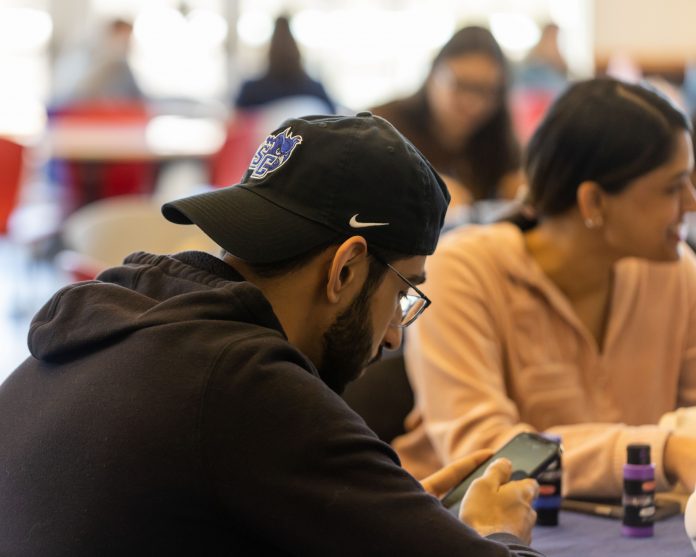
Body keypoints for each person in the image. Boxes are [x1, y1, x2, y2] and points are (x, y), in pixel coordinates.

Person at [0, 113, 542, 556]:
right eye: (403, 293)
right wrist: (495, 533)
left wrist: (380, 519)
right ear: (345, 270)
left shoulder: (105, 330)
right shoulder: (249, 384)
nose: (396, 336)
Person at [394, 77, 696, 498]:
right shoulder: (461, 271)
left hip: (628, 525)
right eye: (672, 187)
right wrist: (660, 452)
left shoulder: (675, 269)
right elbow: (487, 453)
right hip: (468, 529)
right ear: (593, 202)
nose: (691, 202)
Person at [371, 25, 522, 224]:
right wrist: (425, 187)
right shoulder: (383, 124)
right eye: (461, 85)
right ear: (433, 74)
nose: (472, 103)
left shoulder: (498, 143)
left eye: (486, 90)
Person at [234, 15, 335, 113]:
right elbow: (333, 119)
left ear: (270, 52)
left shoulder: (252, 92)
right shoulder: (315, 90)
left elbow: (236, 123)